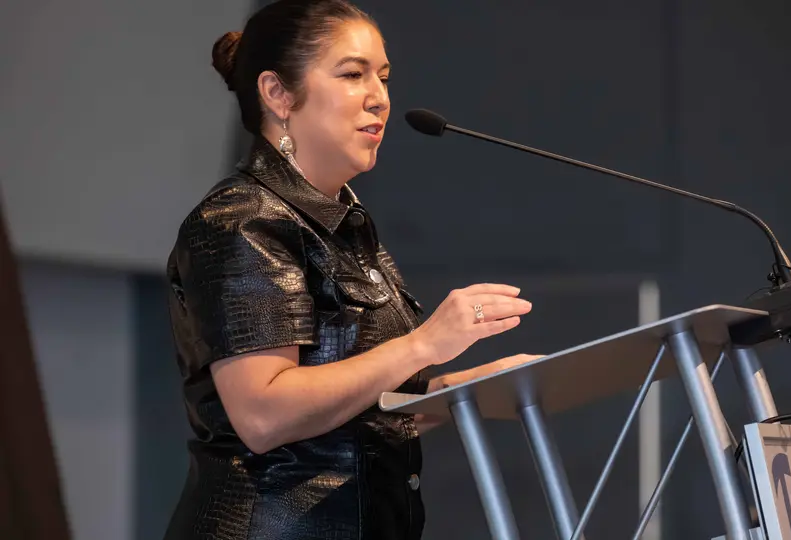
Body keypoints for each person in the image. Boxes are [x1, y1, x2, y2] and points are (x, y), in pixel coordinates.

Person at [162, 1, 537, 539]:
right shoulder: (244, 220)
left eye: (384, 77)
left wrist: (466, 389)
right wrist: (423, 345)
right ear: (278, 94)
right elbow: (264, 414)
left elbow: (354, 417)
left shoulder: (342, 223)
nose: (379, 97)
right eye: (353, 74)